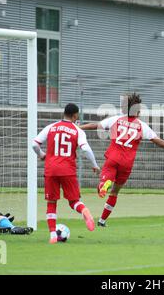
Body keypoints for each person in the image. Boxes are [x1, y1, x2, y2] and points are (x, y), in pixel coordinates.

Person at [79, 93, 164, 227]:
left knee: (104, 184)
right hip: (127, 163)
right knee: (115, 192)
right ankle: (102, 221)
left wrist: (79, 127)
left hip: (113, 158)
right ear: (137, 110)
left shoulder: (116, 119)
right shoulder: (142, 126)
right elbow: (158, 141)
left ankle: (104, 184)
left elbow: (95, 125)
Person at [32, 103, 100, 244]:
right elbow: (86, 149)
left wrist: (42, 154)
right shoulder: (77, 130)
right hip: (67, 170)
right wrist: (94, 165)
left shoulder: (51, 127)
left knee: (51, 203)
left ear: (64, 113)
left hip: (51, 169)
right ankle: (84, 211)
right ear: (75, 115)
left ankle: (52, 236)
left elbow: (34, 144)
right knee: (74, 201)